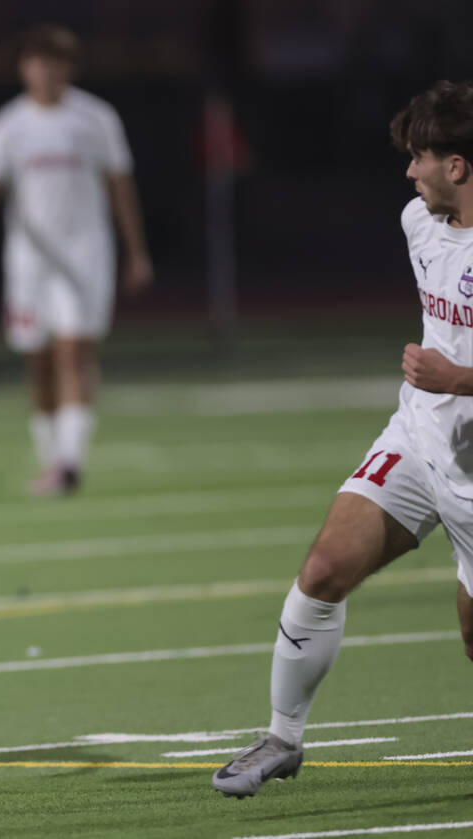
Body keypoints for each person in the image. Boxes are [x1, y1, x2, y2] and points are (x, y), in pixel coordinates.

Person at [212, 79, 473, 798]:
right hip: (420, 440)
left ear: (459, 164)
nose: (409, 170)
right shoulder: (419, 223)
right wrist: (442, 387)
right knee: (324, 569)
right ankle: (281, 737)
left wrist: (461, 378)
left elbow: (457, 364)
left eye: (421, 156)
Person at [0, 23, 153, 495]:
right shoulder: (7, 126)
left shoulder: (96, 118)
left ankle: (69, 463)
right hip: (29, 261)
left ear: (69, 68)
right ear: (23, 68)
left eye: (54, 63)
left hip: (86, 254)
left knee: (74, 351)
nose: (44, 72)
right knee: (38, 360)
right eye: (35, 62)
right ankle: (50, 458)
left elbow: (120, 186)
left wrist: (136, 252)